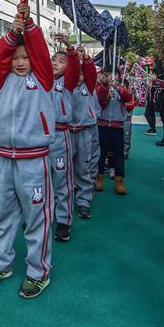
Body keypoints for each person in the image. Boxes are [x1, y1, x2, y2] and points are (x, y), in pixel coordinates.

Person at [0, 0, 54, 299]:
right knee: (1, 213)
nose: (21, 62)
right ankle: (1, 263)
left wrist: (31, 26)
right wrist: (13, 32)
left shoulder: (44, 78)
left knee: (36, 218)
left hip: (33, 160)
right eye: (17, 58)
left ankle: (38, 271)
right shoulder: (3, 77)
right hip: (2, 159)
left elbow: (42, 54)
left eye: (26, 57)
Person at [49, 34, 79, 242]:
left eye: (61, 62)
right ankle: (42, 217)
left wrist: (69, 47)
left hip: (61, 138)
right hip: (41, 137)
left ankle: (63, 222)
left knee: (62, 181)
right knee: (42, 181)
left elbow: (76, 66)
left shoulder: (67, 83)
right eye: (53, 60)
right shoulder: (42, 81)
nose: (55, 64)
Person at [69, 46, 98, 220]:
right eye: (76, 74)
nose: (79, 78)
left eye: (81, 74)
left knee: (83, 167)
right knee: (63, 169)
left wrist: (85, 57)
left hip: (85, 133)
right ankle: (62, 198)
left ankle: (84, 200)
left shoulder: (89, 86)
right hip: (67, 133)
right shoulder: (65, 87)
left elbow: (91, 71)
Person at [96, 67, 132, 195]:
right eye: (109, 74)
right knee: (100, 154)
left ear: (119, 75)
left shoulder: (122, 88)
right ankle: (99, 179)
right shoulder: (100, 87)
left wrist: (117, 88)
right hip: (102, 125)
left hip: (118, 127)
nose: (112, 76)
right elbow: (100, 101)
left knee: (119, 156)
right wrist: (106, 91)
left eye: (115, 74)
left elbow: (128, 98)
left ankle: (119, 181)